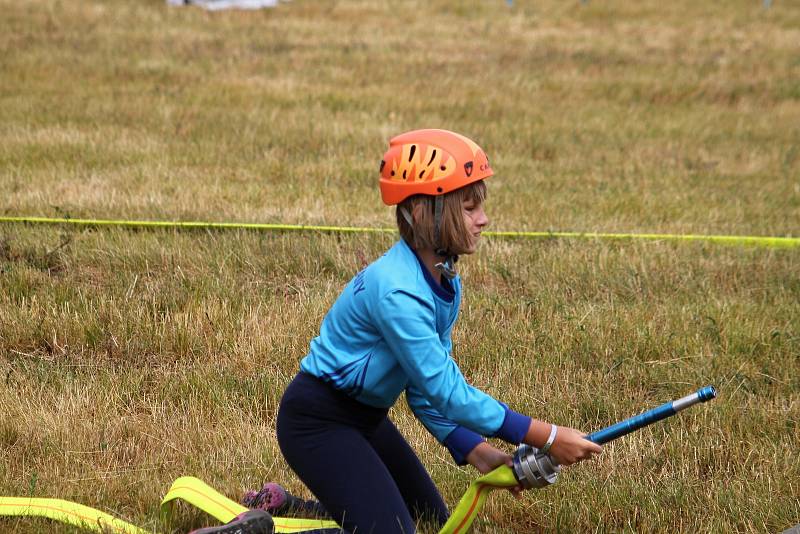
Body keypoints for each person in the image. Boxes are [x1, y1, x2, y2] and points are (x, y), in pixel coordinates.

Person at [194, 129, 602, 534]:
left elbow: (423, 389)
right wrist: (546, 436)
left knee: (429, 522)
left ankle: (284, 506)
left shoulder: (442, 278)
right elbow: (448, 392)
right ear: (429, 213)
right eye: (468, 207)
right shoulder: (398, 292)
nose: (483, 219)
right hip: (318, 422)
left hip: (367, 421)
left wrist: (474, 449)